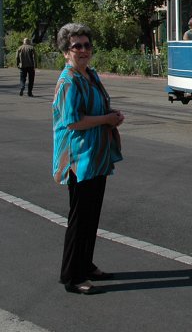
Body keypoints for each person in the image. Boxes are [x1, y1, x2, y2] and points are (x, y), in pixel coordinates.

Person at [52, 22, 124, 295]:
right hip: (78, 158)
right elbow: (72, 122)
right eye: (76, 46)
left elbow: (97, 106)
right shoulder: (68, 81)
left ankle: (86, 263)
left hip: (96, 155)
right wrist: (106, 119)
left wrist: (112, 114)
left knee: (91, 215)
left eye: (86, 45)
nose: (83, 50)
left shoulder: (90, 75)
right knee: (80, 218)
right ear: (65, 52)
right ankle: (72, 276)